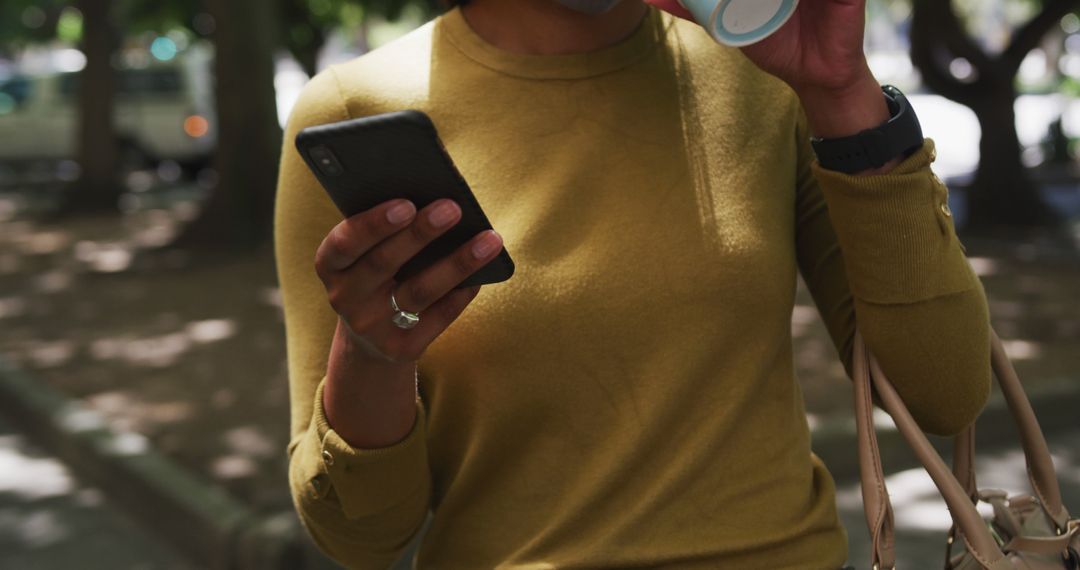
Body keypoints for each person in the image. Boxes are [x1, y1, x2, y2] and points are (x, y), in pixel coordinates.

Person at [273, 0, 992, 567]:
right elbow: (359, 539)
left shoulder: (764, 74)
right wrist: (372, 355)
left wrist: (841, 91)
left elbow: (947, 391)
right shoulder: (352, 109)